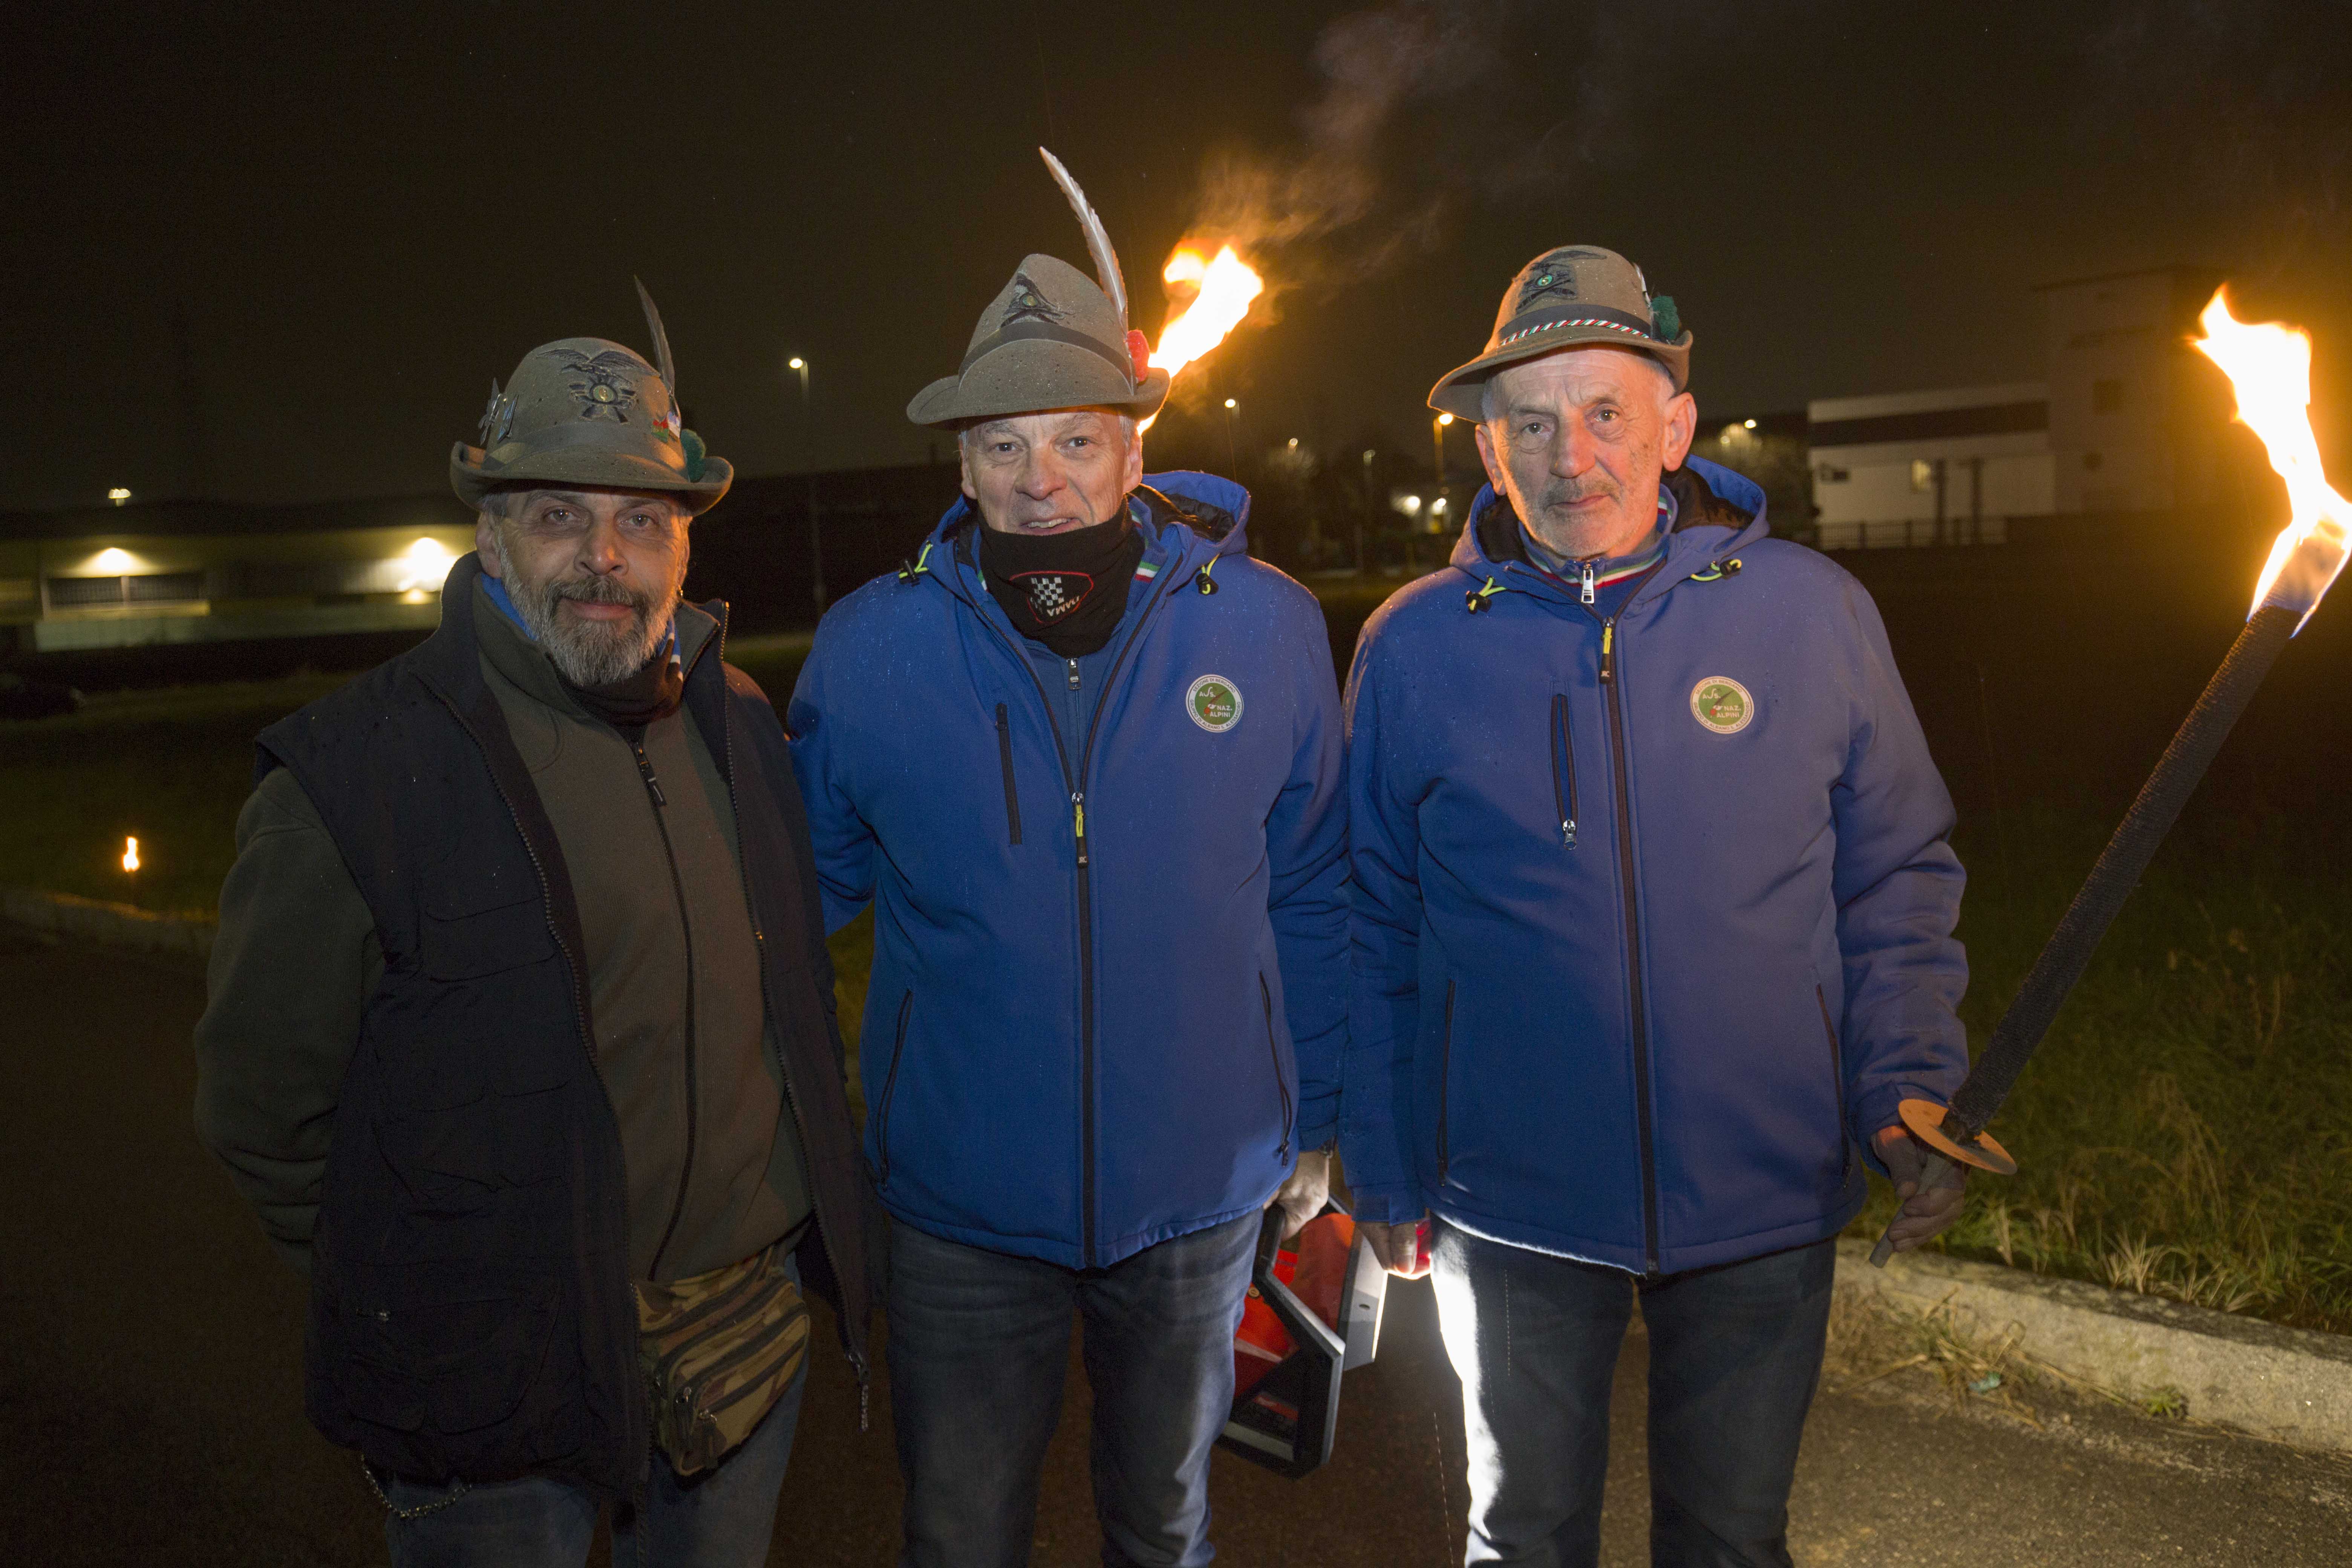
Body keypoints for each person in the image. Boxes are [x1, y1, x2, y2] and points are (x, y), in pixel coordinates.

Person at [193, 297, 874, 1568]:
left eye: (642, 521)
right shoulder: (355, 777)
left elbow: (785, 997)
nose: (604, 557)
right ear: (491, 532)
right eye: (559, 515)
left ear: (684, 545)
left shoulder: (735, 720)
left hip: (739, 1337)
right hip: (494, 1368)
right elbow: (262, 1111)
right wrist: (418, 1296)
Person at [1339, 245, 1970, 1567]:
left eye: (1606, 413)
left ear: (1676, 429)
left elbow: (1895, 873)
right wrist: (1384, 1163)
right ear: (1488, 451)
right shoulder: (1413, 645)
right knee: (1523, 1537)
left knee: (1729, 1541)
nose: (1570, 456)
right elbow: (1373, 918)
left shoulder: (1814, 615)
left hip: (1762, 1180)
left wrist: (1907, 1082)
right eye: (1530, 423)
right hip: (1508, 1197)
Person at [787, 158, 1348, 1568]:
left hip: (1197, 1201)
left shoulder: (1267, 629)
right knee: (960, 1532)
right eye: (1003, 447)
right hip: (960, 1213)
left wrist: (1323, 1116)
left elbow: (1314, 886)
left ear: (1134, 452)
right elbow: (788, 914)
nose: (1040, 484)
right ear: (961, 463)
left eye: (1077, 443)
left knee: (1162, 1525)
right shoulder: (869, 650)